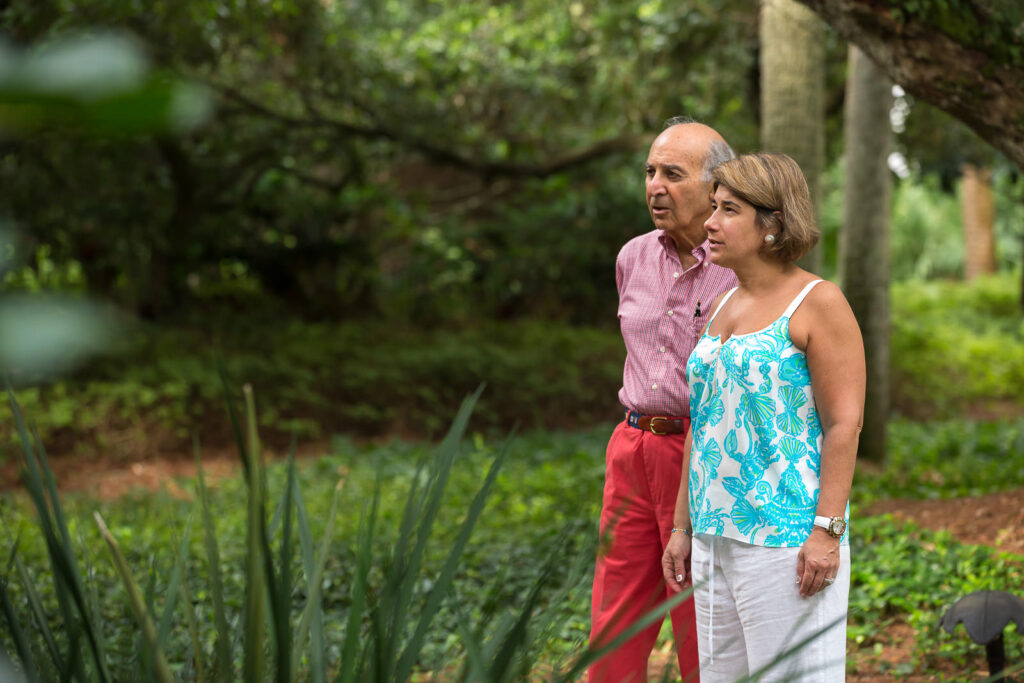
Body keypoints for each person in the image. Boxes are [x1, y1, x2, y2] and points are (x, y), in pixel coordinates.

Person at [661, 153, 865, 682]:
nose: (709, 223)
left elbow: (844, 424)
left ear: (773, 223)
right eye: (713, 207)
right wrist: (682, 527)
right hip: (713, 537)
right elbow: (702, 422)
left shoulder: (818, 301)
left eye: (728, 210)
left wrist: (827, 531)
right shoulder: (722, 303)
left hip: (785, 539)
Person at [589, 117, 737, 683]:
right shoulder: (632, 257)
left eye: (673, 174)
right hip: (630, 446)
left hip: (702, 452)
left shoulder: (739, 269)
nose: (655, 186)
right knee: (616, 610)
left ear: (715, 186)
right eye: (650, 172)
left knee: (699, 610)